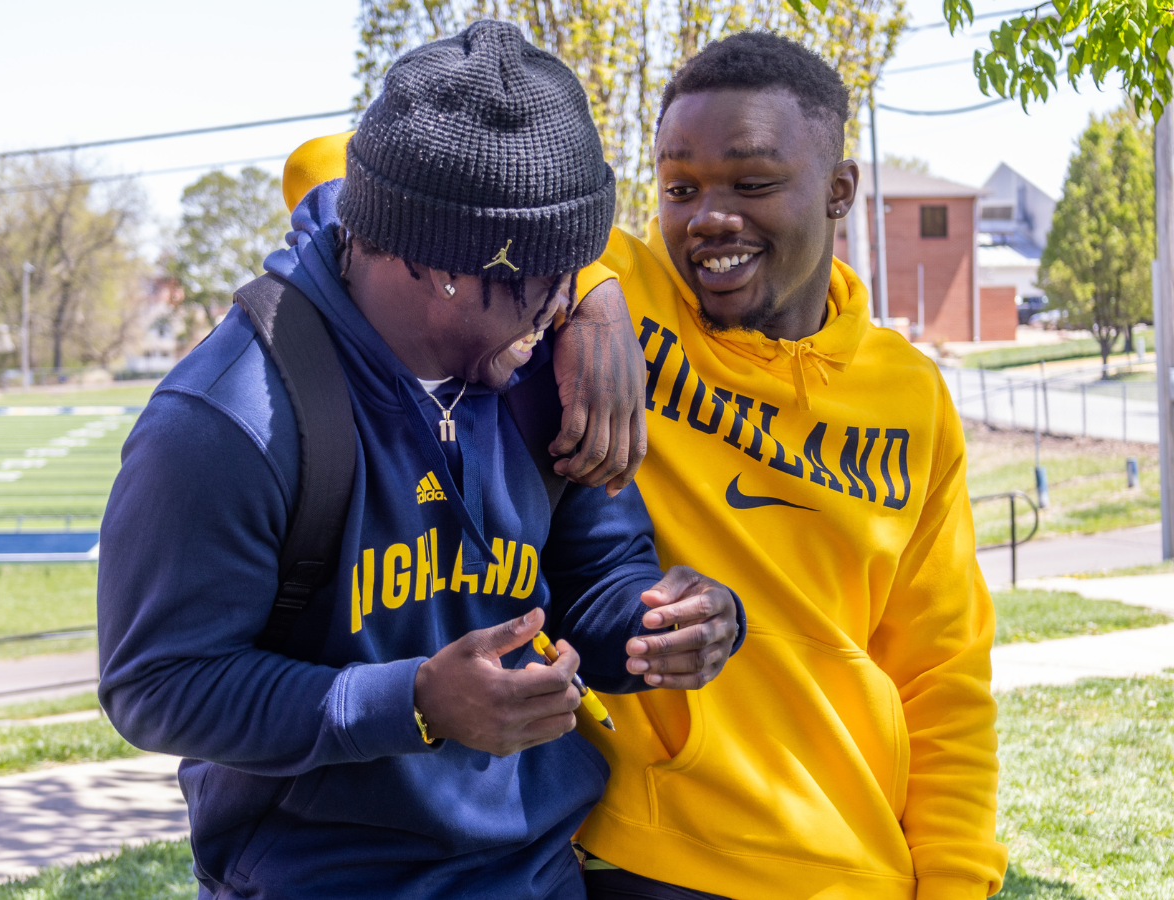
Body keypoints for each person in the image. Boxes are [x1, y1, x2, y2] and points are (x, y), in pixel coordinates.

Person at [286, 30, 1008, 900]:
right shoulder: (618, 282)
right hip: (645, 850)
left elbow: (943, 674)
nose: (709, 214)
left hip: (852, 860)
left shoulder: (911, 396)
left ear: (839, 191)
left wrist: (959, 881)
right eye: (680, 187)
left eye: (754, 182)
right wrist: (593, 292)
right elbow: (329, 171)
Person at [96, 22, 742, 900]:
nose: (570, 304)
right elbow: (158, 683)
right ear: (435, 266)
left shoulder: (551, 366)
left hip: (539, 874)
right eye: (552, 278)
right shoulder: (227, 418)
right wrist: (411, 704)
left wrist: (666, 626)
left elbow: (598, 575)